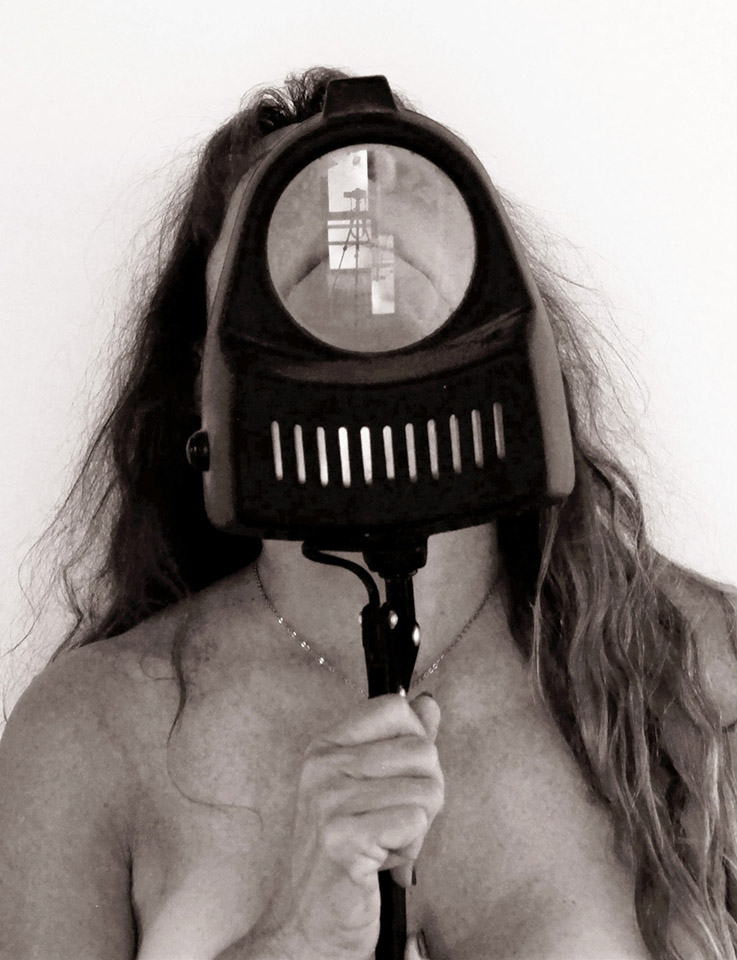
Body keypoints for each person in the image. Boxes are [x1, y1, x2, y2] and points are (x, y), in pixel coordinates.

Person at [1, 66, 736, 960]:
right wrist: (298, 937)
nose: (355, 237)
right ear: (203, 371)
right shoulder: (90, 732)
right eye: (297, 254)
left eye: (403, 204)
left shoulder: (704, 673)